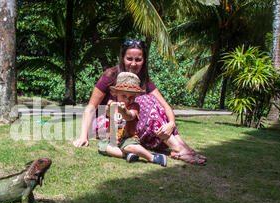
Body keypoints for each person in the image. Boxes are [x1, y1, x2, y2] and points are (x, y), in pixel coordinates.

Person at [73, 39, 207, 165]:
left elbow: (165, 106)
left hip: (127, 124)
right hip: (106, 123)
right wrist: (83, 136)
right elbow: (91, 107)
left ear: (144, 60)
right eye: (129, 59)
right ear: (122, 59)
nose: (133, 63)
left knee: (152, 102)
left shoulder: (143, 80)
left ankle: (181, 146)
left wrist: (171, 124)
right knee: (143, 100)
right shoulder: (110, 75)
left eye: (138, 60)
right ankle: (178, 149)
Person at [98, 72, 167, 167]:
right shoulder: (114, 104)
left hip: (128, 139)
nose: (127, 100)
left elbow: (130, 116)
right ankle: (127, 155)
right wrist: (109, 108)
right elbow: (108, 114)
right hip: (113, 140)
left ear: (135, 96)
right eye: (123, 96)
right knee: (102, 146)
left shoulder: (134, 106)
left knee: (129, 146)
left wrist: (124, 111)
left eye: (131, 97)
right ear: (115, 93)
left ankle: (152, 157)